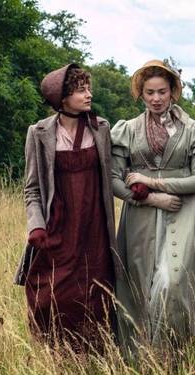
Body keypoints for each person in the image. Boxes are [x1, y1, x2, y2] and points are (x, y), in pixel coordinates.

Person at [14, 63, 119, 352]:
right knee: (51, 295)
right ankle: (57, 353)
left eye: (89, 88)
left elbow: (116, 172)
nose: (89, 95)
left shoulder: (101, 128)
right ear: (62, 98)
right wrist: (36, 225)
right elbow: (32, 188)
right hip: (59, 226)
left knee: (95, 292)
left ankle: (96, 355)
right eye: (81, 90)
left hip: (95, 226)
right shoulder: (39, 133)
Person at [110, 59, 195, 353]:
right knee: (139, 283)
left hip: (181, 212)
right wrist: (150, 198)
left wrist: (152, 182)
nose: (156, 99)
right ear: (141, 94)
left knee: (173, 280)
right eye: (150, 92)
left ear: (173, 92)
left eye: (162, 92)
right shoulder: (127, 130)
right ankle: (138, 355)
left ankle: (175, 350)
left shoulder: (193, 129)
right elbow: (113, 180)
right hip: (139, 215)